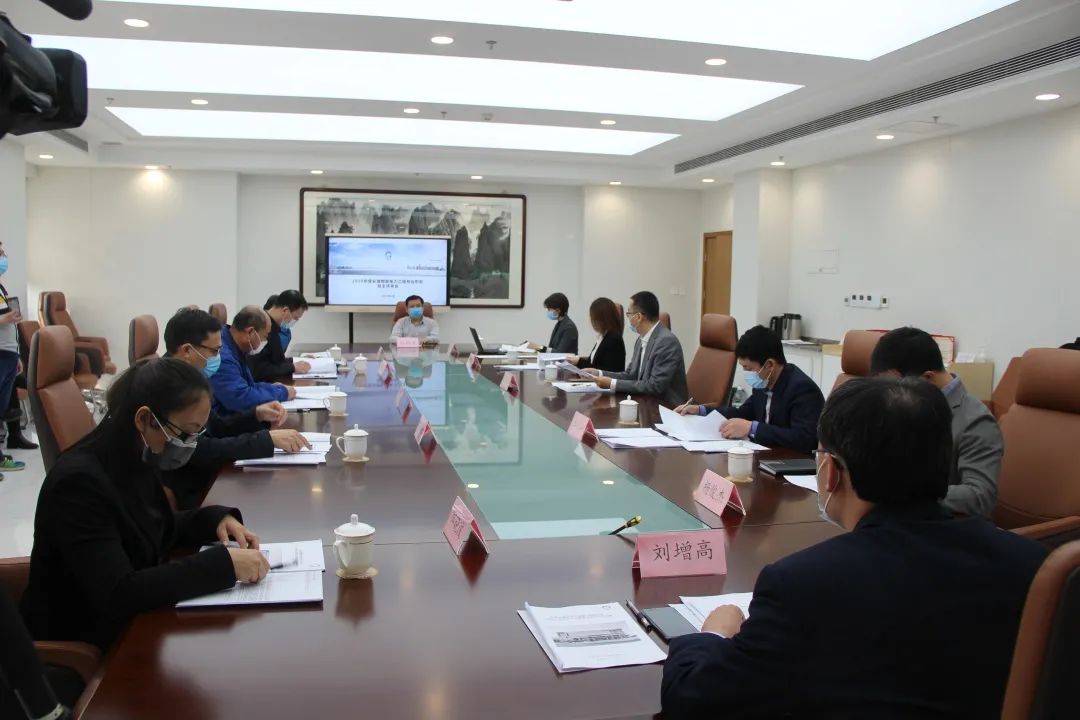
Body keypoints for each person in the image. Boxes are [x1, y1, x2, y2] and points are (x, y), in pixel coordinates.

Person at [662, 377, 1046, 719]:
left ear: (830, 471)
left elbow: (695, 699)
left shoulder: (803, 586)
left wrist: (713, 636)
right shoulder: (1035, 568)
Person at [21, 359, 271, 650]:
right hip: (87, 645)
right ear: (144, 419)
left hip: (137, 629)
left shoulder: (134, 455)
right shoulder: (78, 483)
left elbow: (153, 526)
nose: (190, 444)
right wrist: (223, 565)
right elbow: (119, 592)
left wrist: (215, 519)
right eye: (185, 432)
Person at [163, 308, 310, 509]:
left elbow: (216, 426)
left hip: (204, 477)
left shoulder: (187, 378)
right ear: (187, 351)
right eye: (214, 351)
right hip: (192, 490)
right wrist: (265, 441)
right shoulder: (169, 388)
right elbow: (200, 450)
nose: (219, 357)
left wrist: (256, 415)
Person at [870, 326, 1002, 517]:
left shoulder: (975, 421)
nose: (890, 394)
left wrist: (905, 492)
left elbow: (980, 496)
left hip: (943, 526)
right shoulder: (903, 405)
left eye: (895, 386)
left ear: (927, 378)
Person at [677, 325, 823, 454]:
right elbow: (742, 414)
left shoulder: (802, 388)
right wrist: (700, 410)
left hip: (791, 464)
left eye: (748, 368)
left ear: (769, 365)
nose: (747, 374)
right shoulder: (763, 384)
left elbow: (804, 439)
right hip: (765, 456)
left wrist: (752, 428)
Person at [584, 291, 688, 407]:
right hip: (645, 403)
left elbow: (655, 386)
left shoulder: (666, 341)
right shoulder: (641, 339)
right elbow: (631, 374)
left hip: (667, 407)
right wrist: (598, 373)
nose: (627, 318)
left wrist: (612, 383)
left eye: (629, 314)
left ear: (638, 317)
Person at [209, 306, 296, 415]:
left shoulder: (233, 344)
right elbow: (240, 398)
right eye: (265, 337)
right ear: (250, 332)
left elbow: (248, 385)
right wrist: (282, 393)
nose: (265, 341)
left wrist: (274, 388)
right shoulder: (223, 356)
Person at [0, 242, 26, 475]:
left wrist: (16, 354)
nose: (3, 257)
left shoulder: (1, 288)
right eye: (0, 253)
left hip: (8, 355)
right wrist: (4, 319)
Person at [249, 290, 311, 381]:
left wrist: (296, 361)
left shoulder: (275, 328)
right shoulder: (262, 328)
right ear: (285, 310)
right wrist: (292, 367)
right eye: (295, 318)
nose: (295, 321)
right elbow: (258, 370)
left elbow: (277, 361)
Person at [566, 297, 626, 373]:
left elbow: (606, 370)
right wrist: (578, 360)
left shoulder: (613, 339)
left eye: (594, 319)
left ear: (603, 319)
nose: (592, 323)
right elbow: (594, 362)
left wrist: (579, 362)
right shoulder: (603, 336)